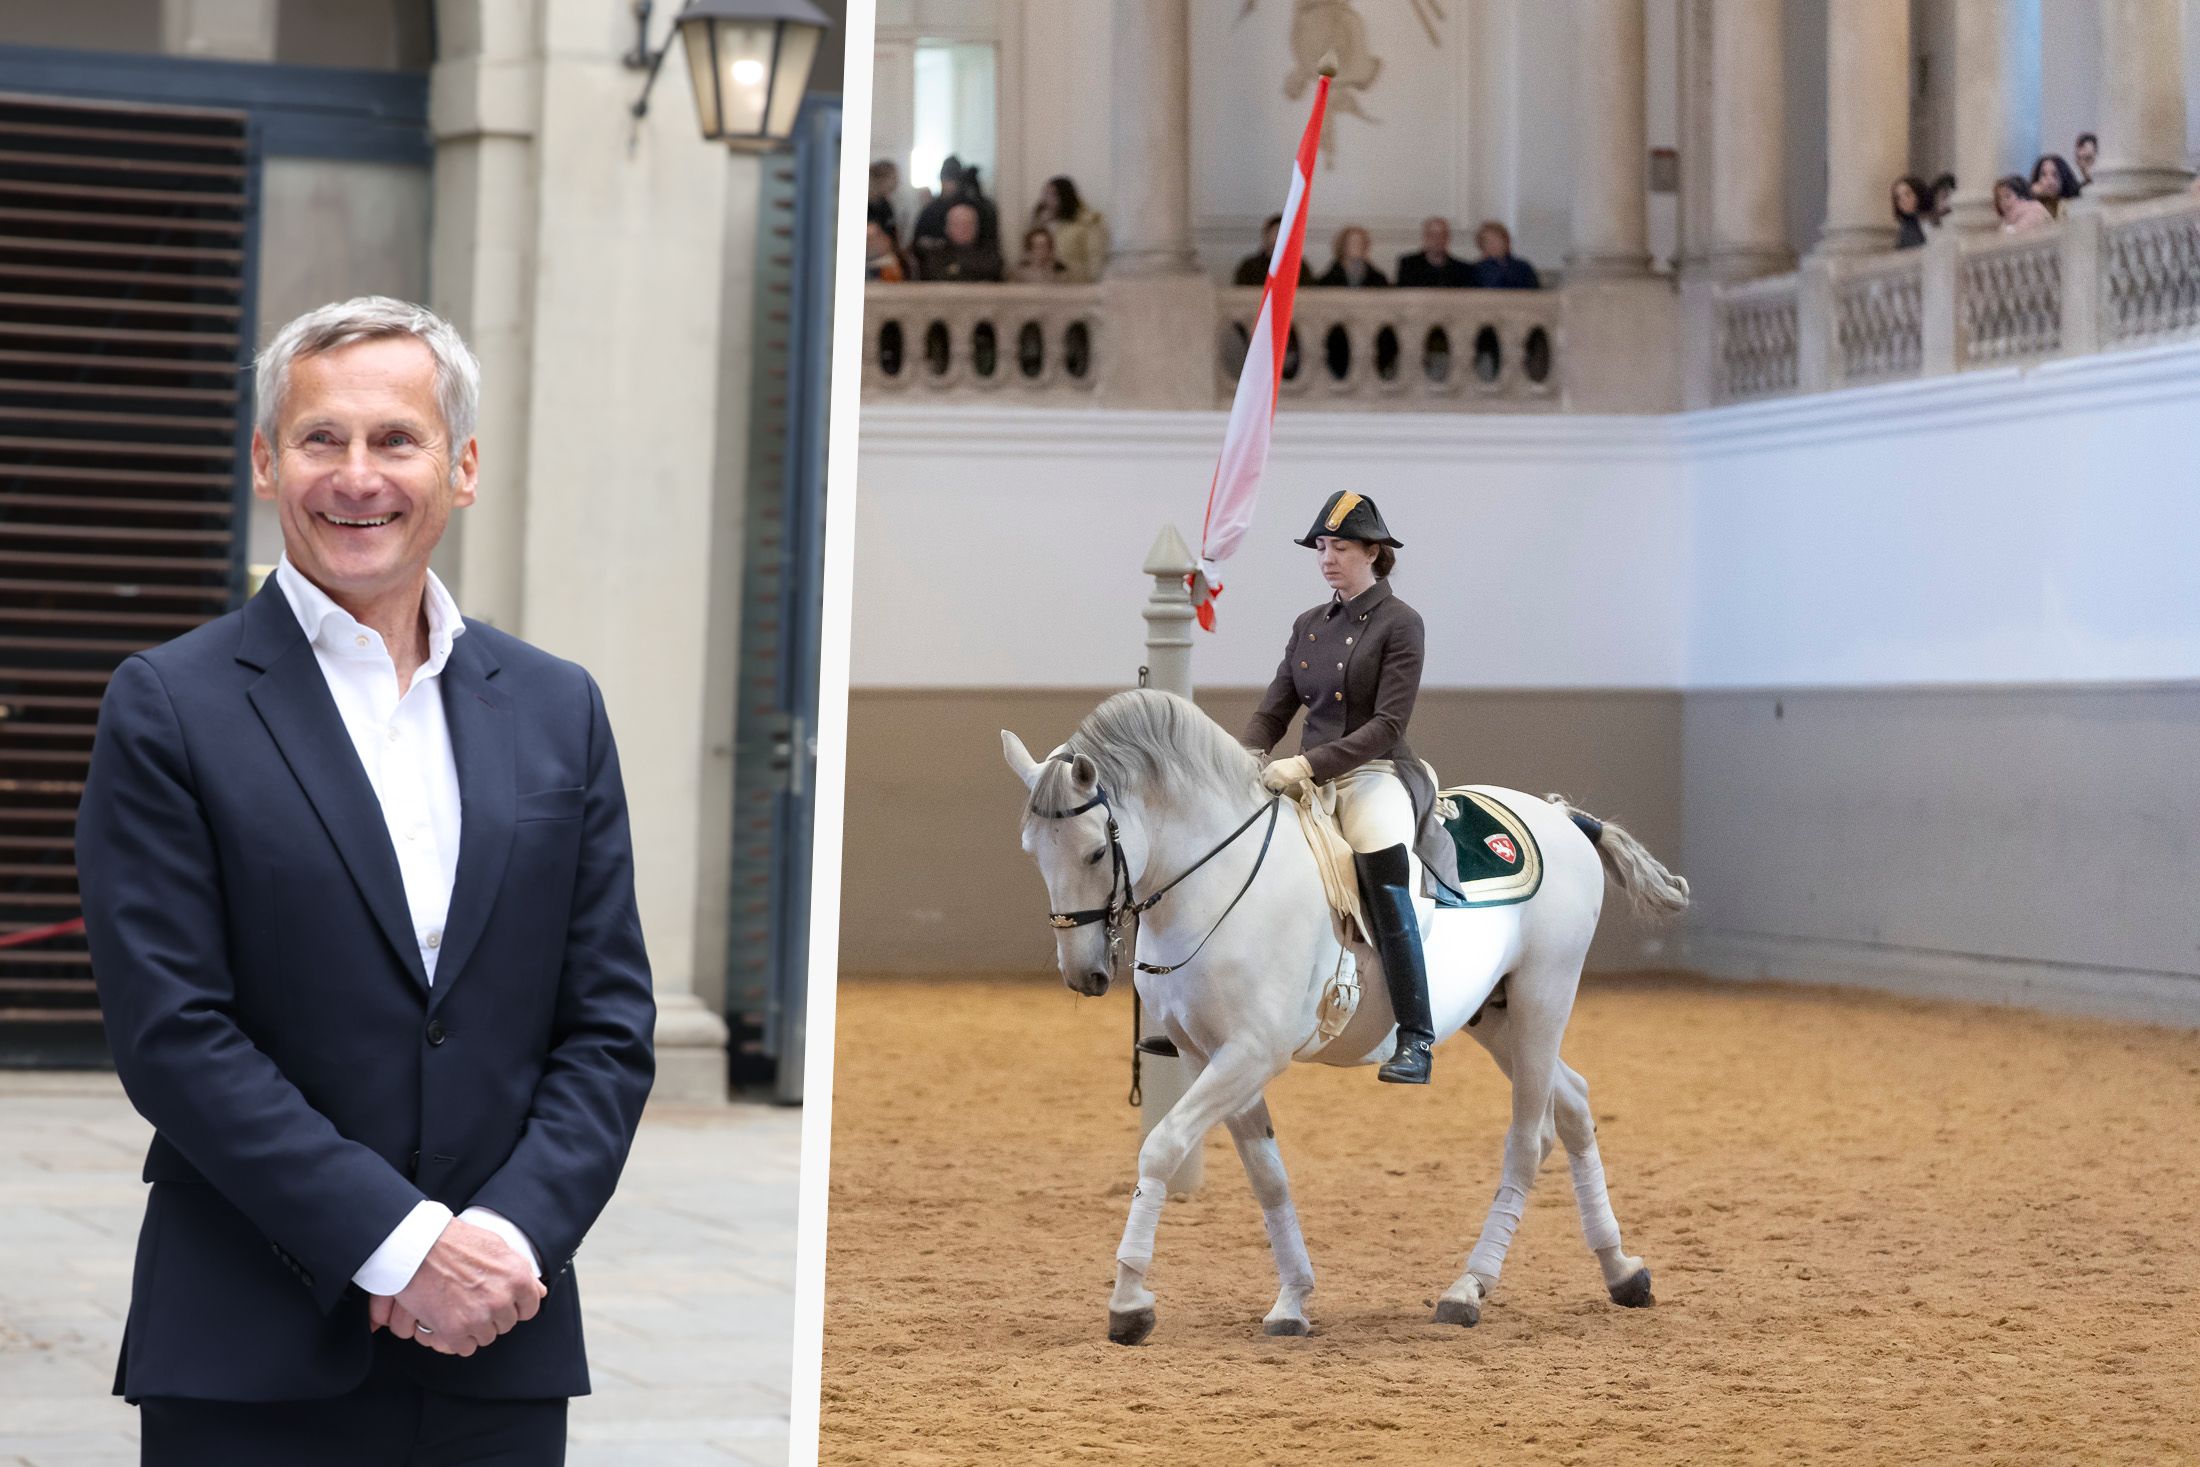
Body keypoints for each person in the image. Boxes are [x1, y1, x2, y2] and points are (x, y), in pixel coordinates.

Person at [74, 296, 656, 1463]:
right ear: (264, 463)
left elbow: (608, 1024)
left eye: (396, 439)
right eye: (320, 440)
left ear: (463, 467)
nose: (358, 476)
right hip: (251, 1349)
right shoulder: (169, 706)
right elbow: (175, 1035)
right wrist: (400, 1245)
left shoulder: (558, 707)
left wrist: (504, 1240)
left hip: (500, 1338)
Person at [1242, 492, 1438, 1086]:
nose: (1327, 558)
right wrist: (1243, 757)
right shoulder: (1308, 624)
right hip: (1307, 776)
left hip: (1371, 774)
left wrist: (1307, 766)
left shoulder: (1400, 623)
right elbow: (1275, 710)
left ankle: (1416, 1035)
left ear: (1372, 553)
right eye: (1322, 547)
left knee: (1382, 869)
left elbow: (1387, 726)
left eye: (1340, 547)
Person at [1031, 175, 1109, 284]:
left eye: (1053, 195)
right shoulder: (1040, 222)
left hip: (1077, 283)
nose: (1047, 200)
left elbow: (1095, 259)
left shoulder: (1087, 223)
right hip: (1046, 283)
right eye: (1046, 194)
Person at [911, 155, 1000, 250]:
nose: (948, 185)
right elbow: (919, 241)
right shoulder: (931, 210)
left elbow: (988, 242)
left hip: (971, 259)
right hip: (938, 260)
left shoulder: (976, 208)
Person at [915, 200, 1004, 282]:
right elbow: (935, 275)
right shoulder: (936, 255)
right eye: (957, 224)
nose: (963, 229)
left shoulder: (989, 254)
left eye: (968, 224)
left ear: (977, 227)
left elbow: (992, 272)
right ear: (947, 228)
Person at [1234, 212, 1314, 286]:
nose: (1280, 239)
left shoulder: (1300, 267)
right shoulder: (1249, 267)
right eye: (1277, 233)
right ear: (1266, 236)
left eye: (1285, 234)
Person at [1395, 216, 1472, 287]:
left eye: (1441, 235)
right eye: (1432, 235)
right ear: (1424, 238)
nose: (1437, 239)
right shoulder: (1409, 265)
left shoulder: (1462, 270)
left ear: (1447, 238)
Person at [1467, 221, 1539, 289]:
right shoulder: (1476, 269)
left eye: (1496, 239)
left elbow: (1536, 293)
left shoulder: (1523, 267)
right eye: (1488, 241)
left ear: (1506, 241)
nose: (1493, 244)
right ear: (1481, 245)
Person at [1316, 225, 1390, 287]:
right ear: (1343, 246)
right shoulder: (1329, 279)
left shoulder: (1378, 278)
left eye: (1360, 243)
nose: (1356, 246)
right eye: (1352, 243)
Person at [867, 158, 902, 246]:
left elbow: (893, 234)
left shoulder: (886, 204)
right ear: (880, 179)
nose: (897, 183)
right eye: (893, 178)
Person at [1891, 175, 1931, 248]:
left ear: (1919, 194)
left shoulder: (1931, 220)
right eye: (1898, 197)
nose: (1902, 200)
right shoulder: (1906, 229)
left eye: (1907, 194)